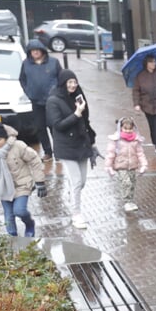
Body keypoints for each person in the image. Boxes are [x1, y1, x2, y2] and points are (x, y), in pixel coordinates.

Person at [45, 70, 96, 230]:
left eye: (75, 82)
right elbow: (58, 125)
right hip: (66, 146)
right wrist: (76, 113)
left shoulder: (78, 96)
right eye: (69, 82)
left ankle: (72, 195)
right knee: (76, 182)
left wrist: (92, 141)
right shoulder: (53, 101)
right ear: (63, 83)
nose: (73, 85)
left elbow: (86, 121)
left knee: (82, 182)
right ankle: (76, 214)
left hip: (82, 144)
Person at [0, 121, 47, 237]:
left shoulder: (18, 146)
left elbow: (34, 160)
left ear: (5, 138)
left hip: (21, 185)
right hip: (3, 188)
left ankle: (29, 223)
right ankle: (13, 237)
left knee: (19, 211)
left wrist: (39, 181)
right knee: (9, 216)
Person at [18, 40, 62, 161]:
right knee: (40, 127)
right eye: (33, 50)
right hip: (36, 101)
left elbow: (61, 78)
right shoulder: (26, 64)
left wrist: (57, 93)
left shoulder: (54, 62)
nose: (35, 52)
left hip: (52, 101)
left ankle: (59, 152)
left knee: (54, 126)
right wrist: (29, 92)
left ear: (42, 51)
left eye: (38, 50)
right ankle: (48, 152)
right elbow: (22, 79)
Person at [103, 117, 149, 213]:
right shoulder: (117, 140)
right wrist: (108, 166)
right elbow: (110, 153)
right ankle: (127, 202)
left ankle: (130, 200)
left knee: (132, 183)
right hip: (121, 166)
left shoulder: (136, 140)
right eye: (125, 128)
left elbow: (140, 153)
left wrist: (144, 165)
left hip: (132, 166)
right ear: (121, 128)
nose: (128, 131)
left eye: (130, 129)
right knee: (126, 182)